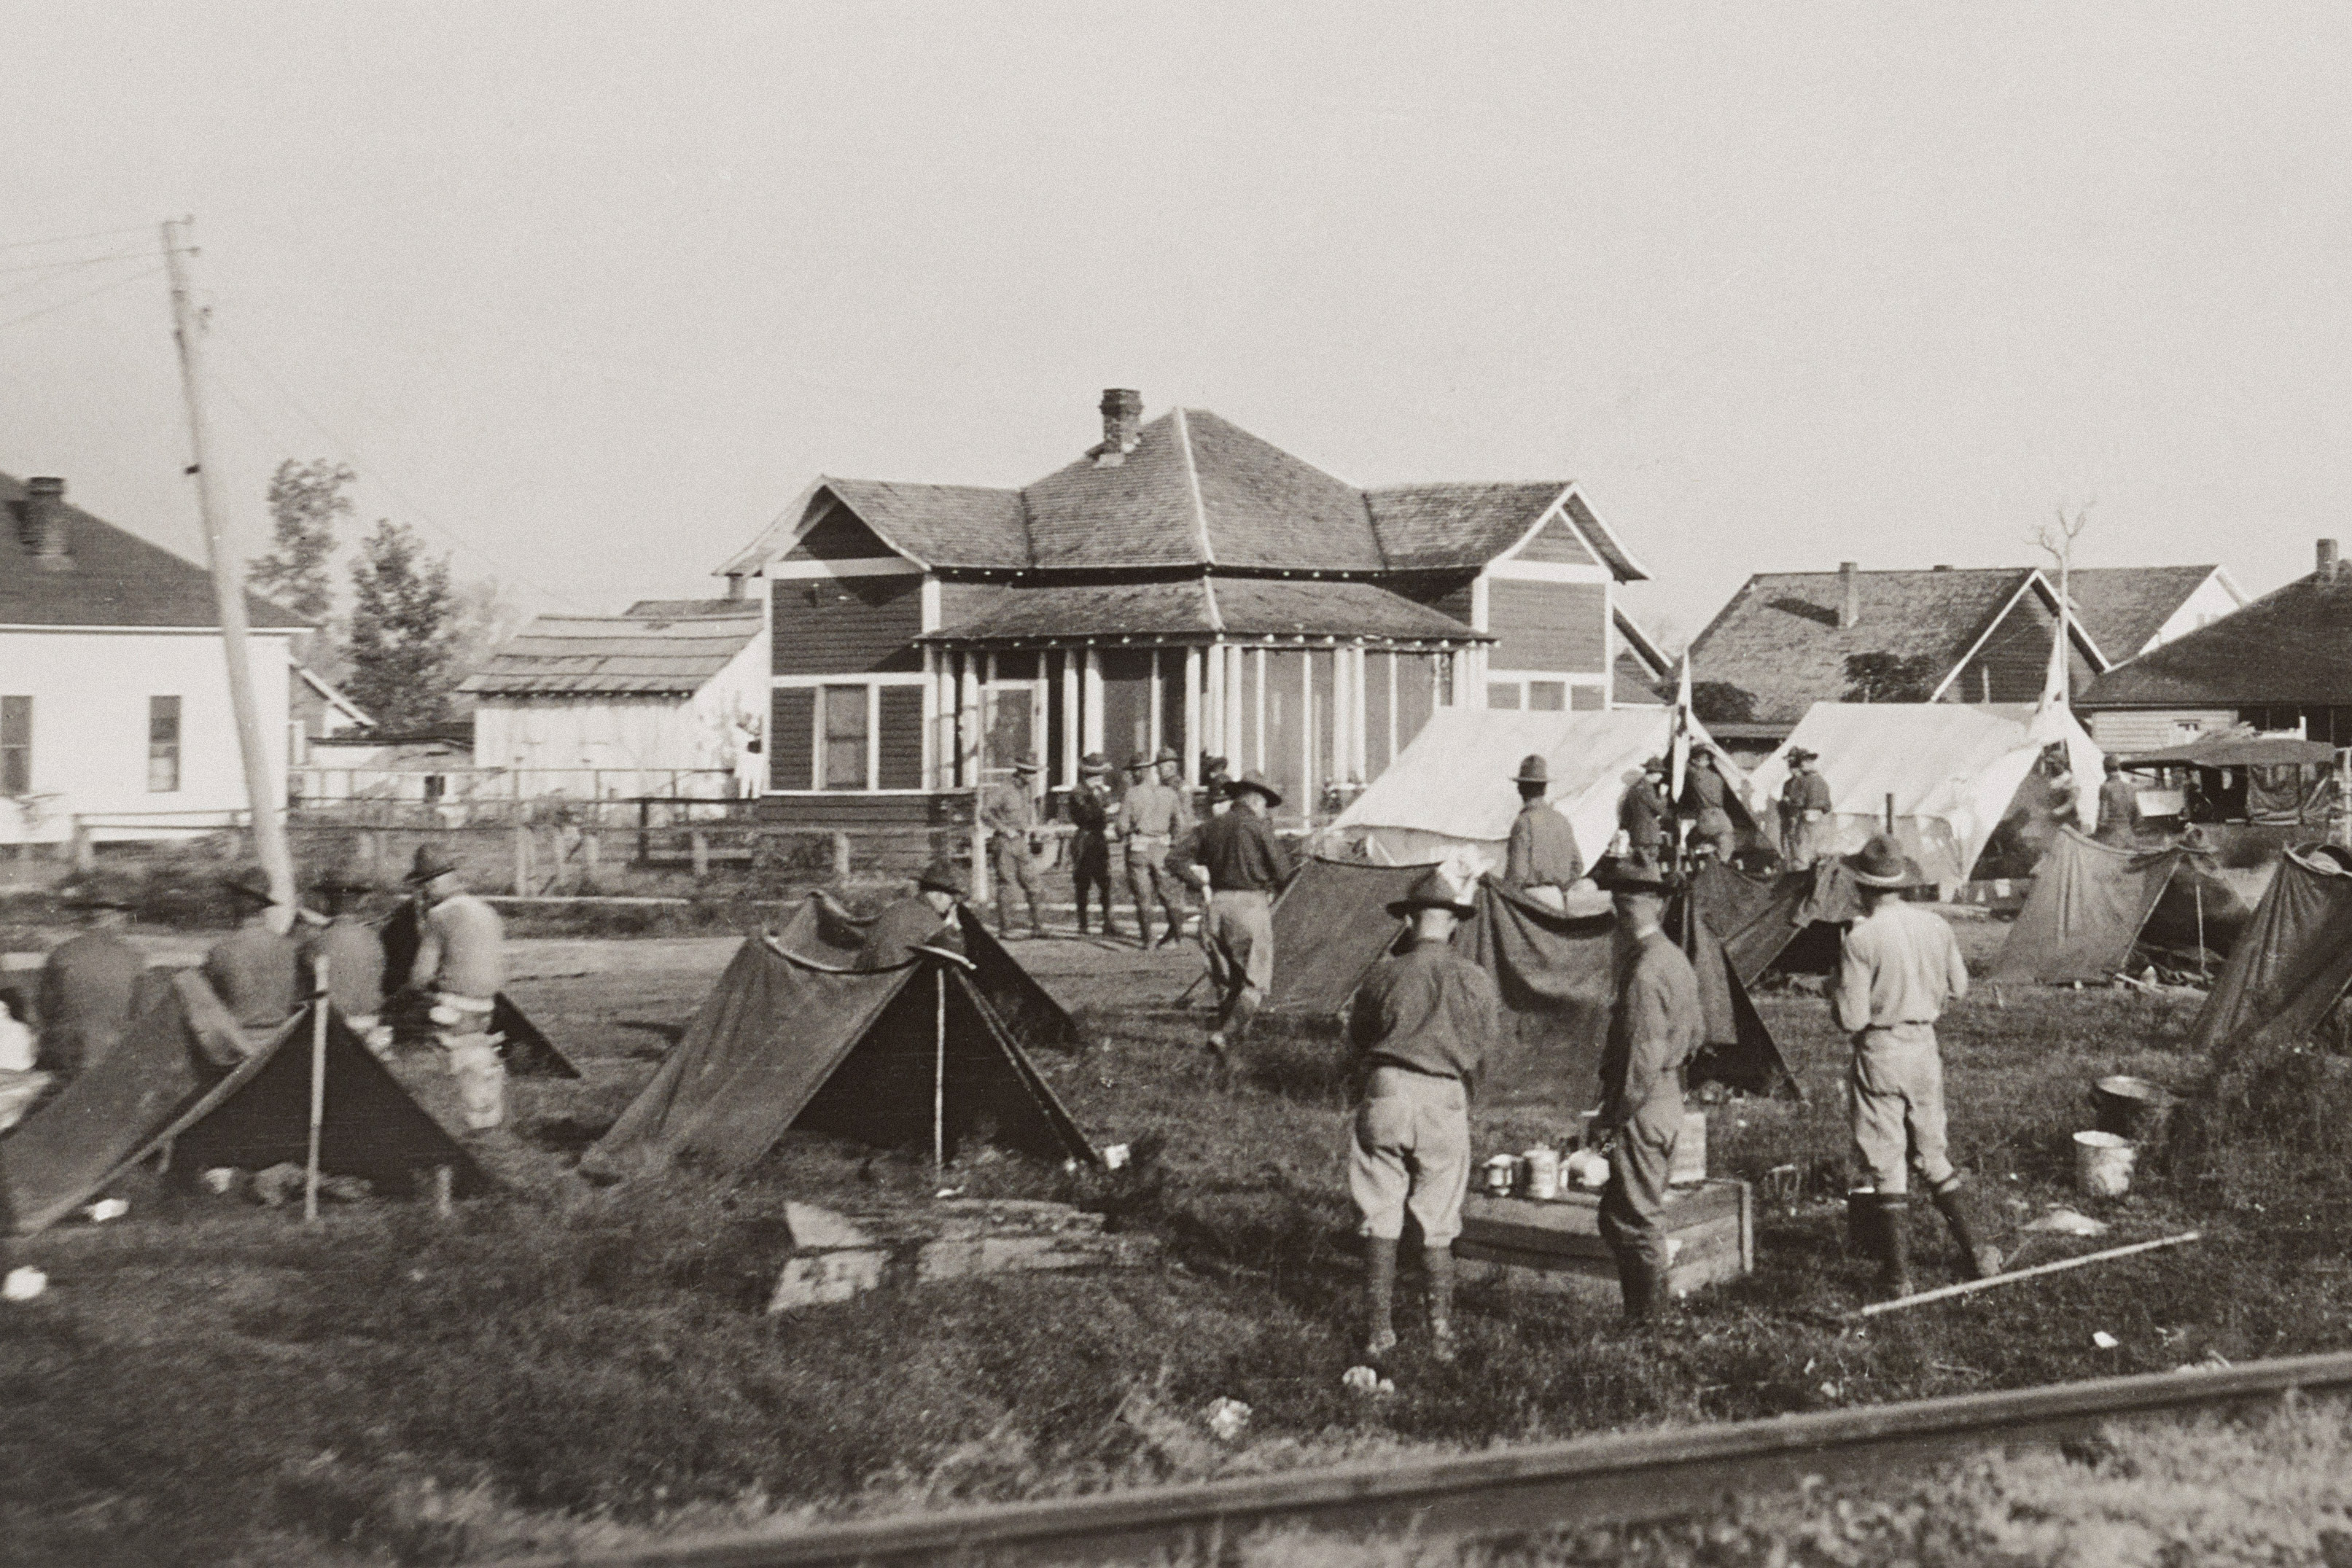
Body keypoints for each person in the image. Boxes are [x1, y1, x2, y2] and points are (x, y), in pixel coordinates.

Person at [1831, 834, 2004, 1298]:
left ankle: (1898, 1276)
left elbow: (1852, 1018)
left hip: (1881, 1050)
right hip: (1924, 1048)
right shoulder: (1936, 926)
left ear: (1863, 887)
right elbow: (1961, 987)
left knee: (1887, 1160)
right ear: (1902, 883)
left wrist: (1835, 988)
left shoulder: (1860, 938)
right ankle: (1978, 1252)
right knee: (1932, 1153)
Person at [1346, 868, 1495, 1361]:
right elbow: (1484, 1045)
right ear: (1452, 924)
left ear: (1410, 921)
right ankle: (1440, 1333)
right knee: (1438, 1217)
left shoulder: (1384, 972)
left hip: (1387, 1088)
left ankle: (1378, 1331)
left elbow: (1361, 1035)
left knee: (1379, 1210)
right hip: (1444, 1094)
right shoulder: (1474, 978)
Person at [1589, 859, 1704, 1322]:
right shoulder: (1674, 959)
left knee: (1636, 1220)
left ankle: (1648, 1324)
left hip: (1645, 1102)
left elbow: (1640, 1061)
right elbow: (1696, 1034)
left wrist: (1611, 1117)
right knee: (1627, 1214)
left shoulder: (1645, 973)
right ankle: (1643, 1318)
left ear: (1623, 909)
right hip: (1667, 1094)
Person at [1180, 770, 1293, 1066]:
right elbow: (1282, 872)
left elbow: (1174, 859)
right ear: (1256, 800)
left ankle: (1229, 1058)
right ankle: (1224, 1036)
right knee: (1255, 984)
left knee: (1227, 983)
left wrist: (1198, 883)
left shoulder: (1211, 826)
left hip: (1215, 905)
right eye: (1265, 804)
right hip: (1249, 906)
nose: (1265, 810)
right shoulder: (1258, 828)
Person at [404, 845, 509, 1133]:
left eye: (423, 886)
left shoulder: (440, 916)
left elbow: (420, 976)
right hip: (488, 1007)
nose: (423, 893)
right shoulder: (486, 911)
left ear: (432, 883)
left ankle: (440, 1124)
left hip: (453, 1008)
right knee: (476, 1059)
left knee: (408, 1041)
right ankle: (486, 1119)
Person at [36, 880, 145, 1077]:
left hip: (66, 1057)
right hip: (113, 1056)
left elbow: (45, 1010)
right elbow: (138, 1014)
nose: (127, 922)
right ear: (116, 917)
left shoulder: (62, 954)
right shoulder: (134, 958)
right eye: (126, 916)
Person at [201, 869, 305, 1032]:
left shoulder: (221, 950)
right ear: (264, 905)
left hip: (243, 1043)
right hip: (283, 1040)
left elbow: (210, 1003)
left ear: (235, 905)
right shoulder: (290, 947)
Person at [1121, 746, 1195, 949]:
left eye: (1163, 766)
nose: (1161, 770)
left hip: (1153, 846)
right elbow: (1179, 821)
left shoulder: (1176, 788)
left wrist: (1177, 844)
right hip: (1163, 846)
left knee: (1154, 894)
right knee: (1168, 893)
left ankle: (1159, 939)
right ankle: (1175, 935)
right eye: (1159, 766)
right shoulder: (1167, 789)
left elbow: (1185, 820)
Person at [305, 871, 389, 1047]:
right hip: (371, 1024)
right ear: (358, 902)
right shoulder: (373, 939)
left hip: (336, 1028)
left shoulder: (319, 942)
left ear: (327, 902)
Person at [1503, 754, 1583, 913]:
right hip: (1558, 901)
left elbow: (1517, 873)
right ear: (1545, 789)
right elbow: (1577, 865)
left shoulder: (1524, 822)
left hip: (1530, 902)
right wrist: (1560, 886)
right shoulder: (1561, 820)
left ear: (1520, 789)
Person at [980, 757, 1048, 940]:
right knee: (1007, 884)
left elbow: (1028, 814)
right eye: (1031, 773)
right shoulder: (1004, 789)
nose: (1034, 777)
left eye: (1035, 773)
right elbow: (985, 813)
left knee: (1033, 883)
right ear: (1021, 773)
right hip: (1004, 842)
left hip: (1021, 841)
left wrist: (1034, 833)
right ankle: (1006, 929)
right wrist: (1004, 829)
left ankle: (1038, 927)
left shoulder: (1026, 790)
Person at [855, 859, 969, 968]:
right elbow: (957, 954)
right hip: (900, 982)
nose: (951, 905)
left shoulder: (897, 906)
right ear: (939, 895)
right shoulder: (928, 917)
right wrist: (954, 924)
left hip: (870, 980)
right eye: (952, 899)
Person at [1064, 753, 1122, 939]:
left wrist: (1109, 810)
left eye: (1100, 775)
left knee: (1105, 881)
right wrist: (1106, 811)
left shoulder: (1100, 792)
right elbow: (1085, 815)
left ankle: (1108, 922)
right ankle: (1083, 924)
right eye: (1096, 775)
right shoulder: (1078, 793)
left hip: (1098, 838)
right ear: (1087, 775)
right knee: (1083, 883)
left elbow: (1105, 812)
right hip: (1084, 839)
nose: (1100, 778)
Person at [1680, 748, 1737, 865]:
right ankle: (1721, 866)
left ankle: (1696, 868)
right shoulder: (1718, 778)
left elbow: (1681, 763)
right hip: (1723, 819)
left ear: (1696, 761)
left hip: (1706, 817)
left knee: (1690, 841)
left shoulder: (1695, 775)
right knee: (1725, 847)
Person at [1780, 749, 1834, 869]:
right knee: (1817, 852)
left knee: (1801, 852)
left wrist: (1789, 802)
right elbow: (1828, 806)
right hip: (1822, 820)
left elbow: (1797, 802)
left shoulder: (1801, 781)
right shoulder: (1822, 781)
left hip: (1804, 818)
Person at [1618, 757, 1670, 862]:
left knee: (1638, 862)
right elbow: (1660, 809)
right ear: (1653, 773)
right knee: (1649, 863)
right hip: (1649, 833)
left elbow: (1626, 811)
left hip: (1637, 832)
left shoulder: (1634, 788)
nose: (1661, 776)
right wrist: (1663, 796)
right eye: (1660, 773)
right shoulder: (1647, 789)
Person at [2095, 757, 2141, 846]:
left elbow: (2103, 817)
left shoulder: (2106, 787)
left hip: (2112, 838)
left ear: (2104, 769)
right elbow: (2138, 816)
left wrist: (2098, 833)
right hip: (2129, 837)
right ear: (2119, 768)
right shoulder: (2131, 787)